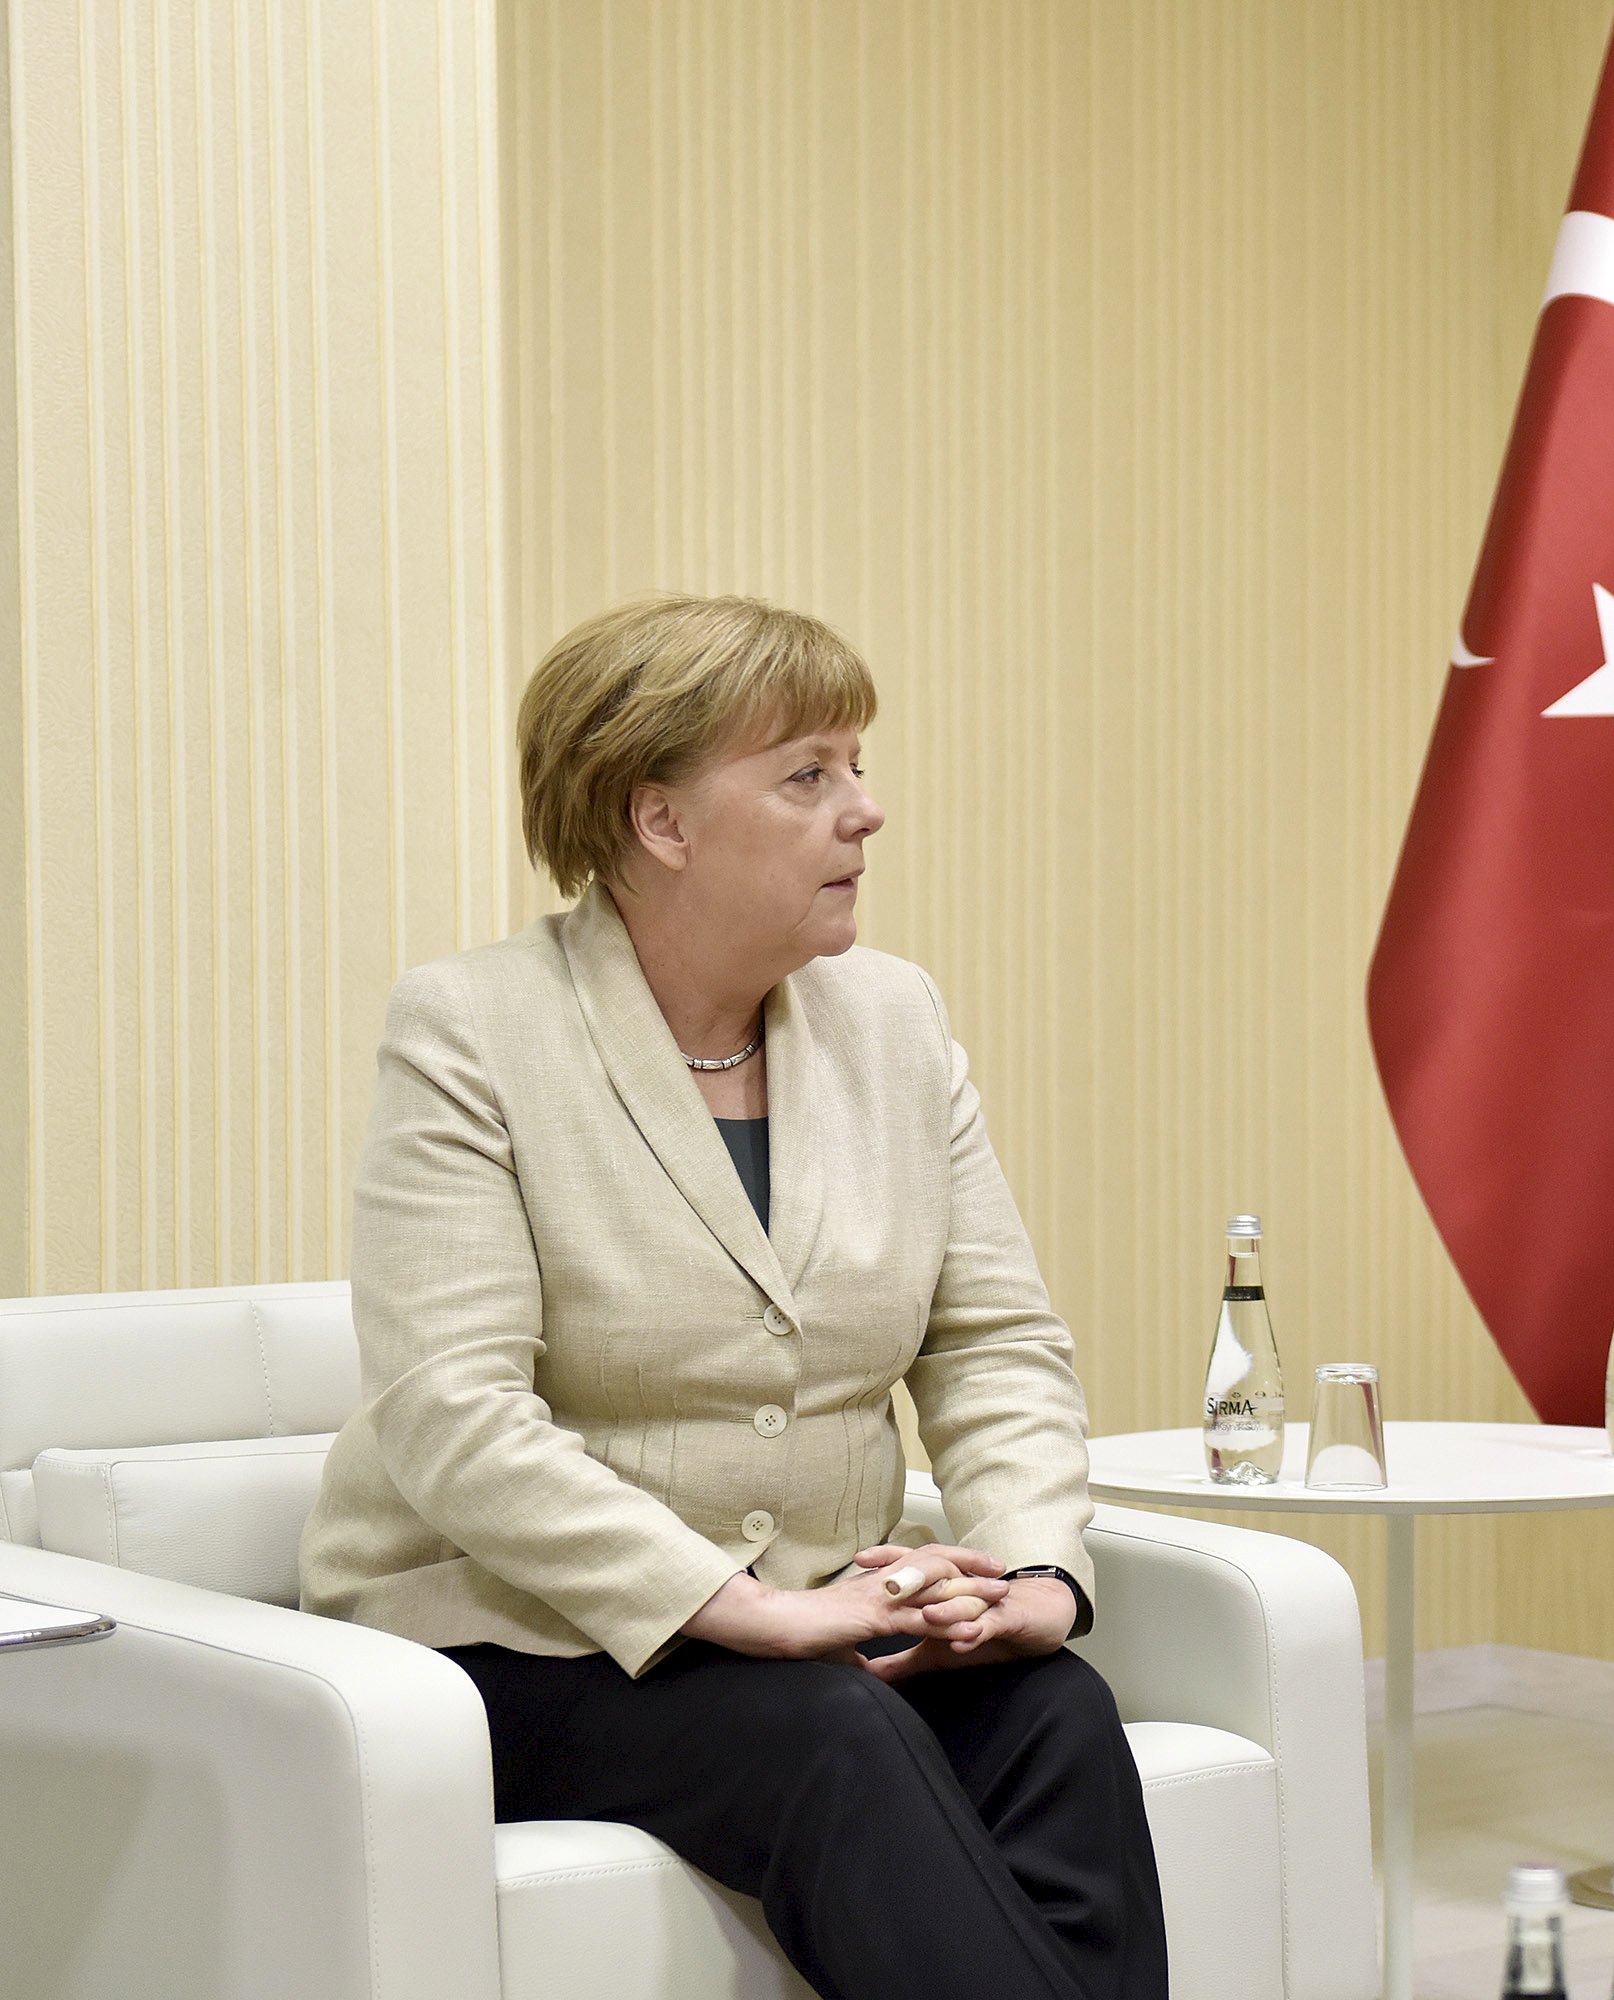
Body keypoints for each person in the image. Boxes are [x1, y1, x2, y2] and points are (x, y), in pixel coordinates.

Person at [299, 595, 1167, 2000]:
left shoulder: (896, 1020)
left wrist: (1033, 1572)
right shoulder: (474, 1030)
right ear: (660, 821)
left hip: (820, 1620)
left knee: (1054, 1708)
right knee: (832, 1735)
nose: (866, 811)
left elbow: (992, 1342)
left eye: (857, 765)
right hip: (524, 1642)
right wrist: (744, 1610)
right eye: (808, 774)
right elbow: (452, 1413)